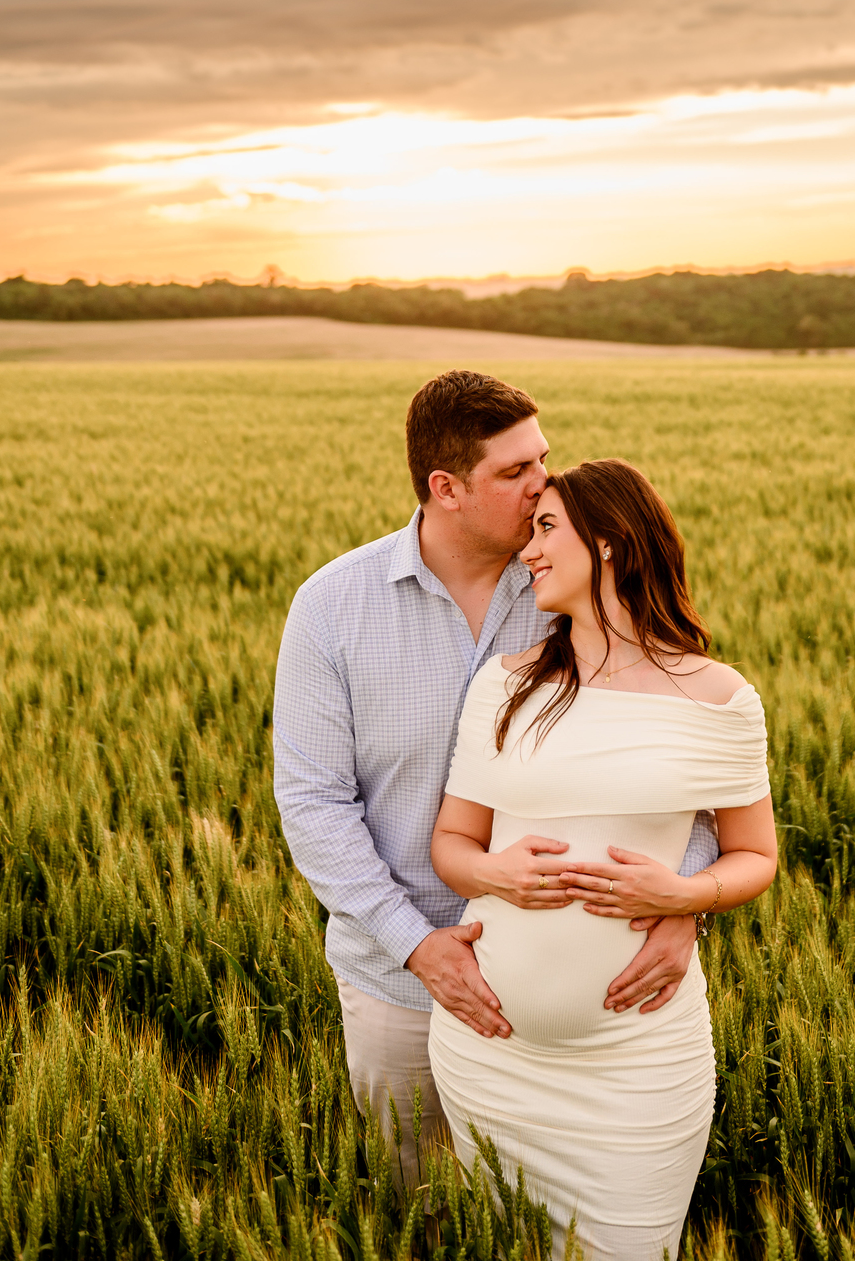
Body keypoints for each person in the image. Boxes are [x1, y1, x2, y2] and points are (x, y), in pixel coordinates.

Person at [272, 373, 720, 1181]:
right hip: (398, 985)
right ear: (446, 488)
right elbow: (313, 805)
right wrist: (420, 948)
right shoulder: (332, 607)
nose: (543, 485)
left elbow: (682, 762)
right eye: (516, 473)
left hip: (589, 986)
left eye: (541, 459)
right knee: (426, 1202)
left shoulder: (574, 581)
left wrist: (680, 904)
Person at [428, 458, 778, 1260]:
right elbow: (453, 844)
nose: (530, 551)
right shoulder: (506, 685)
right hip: (491, 1061)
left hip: (635, 1070)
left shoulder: (719, 699)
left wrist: (685, 892)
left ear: (612, 541)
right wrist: (493, 875)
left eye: (547, 529)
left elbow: (755, 855)